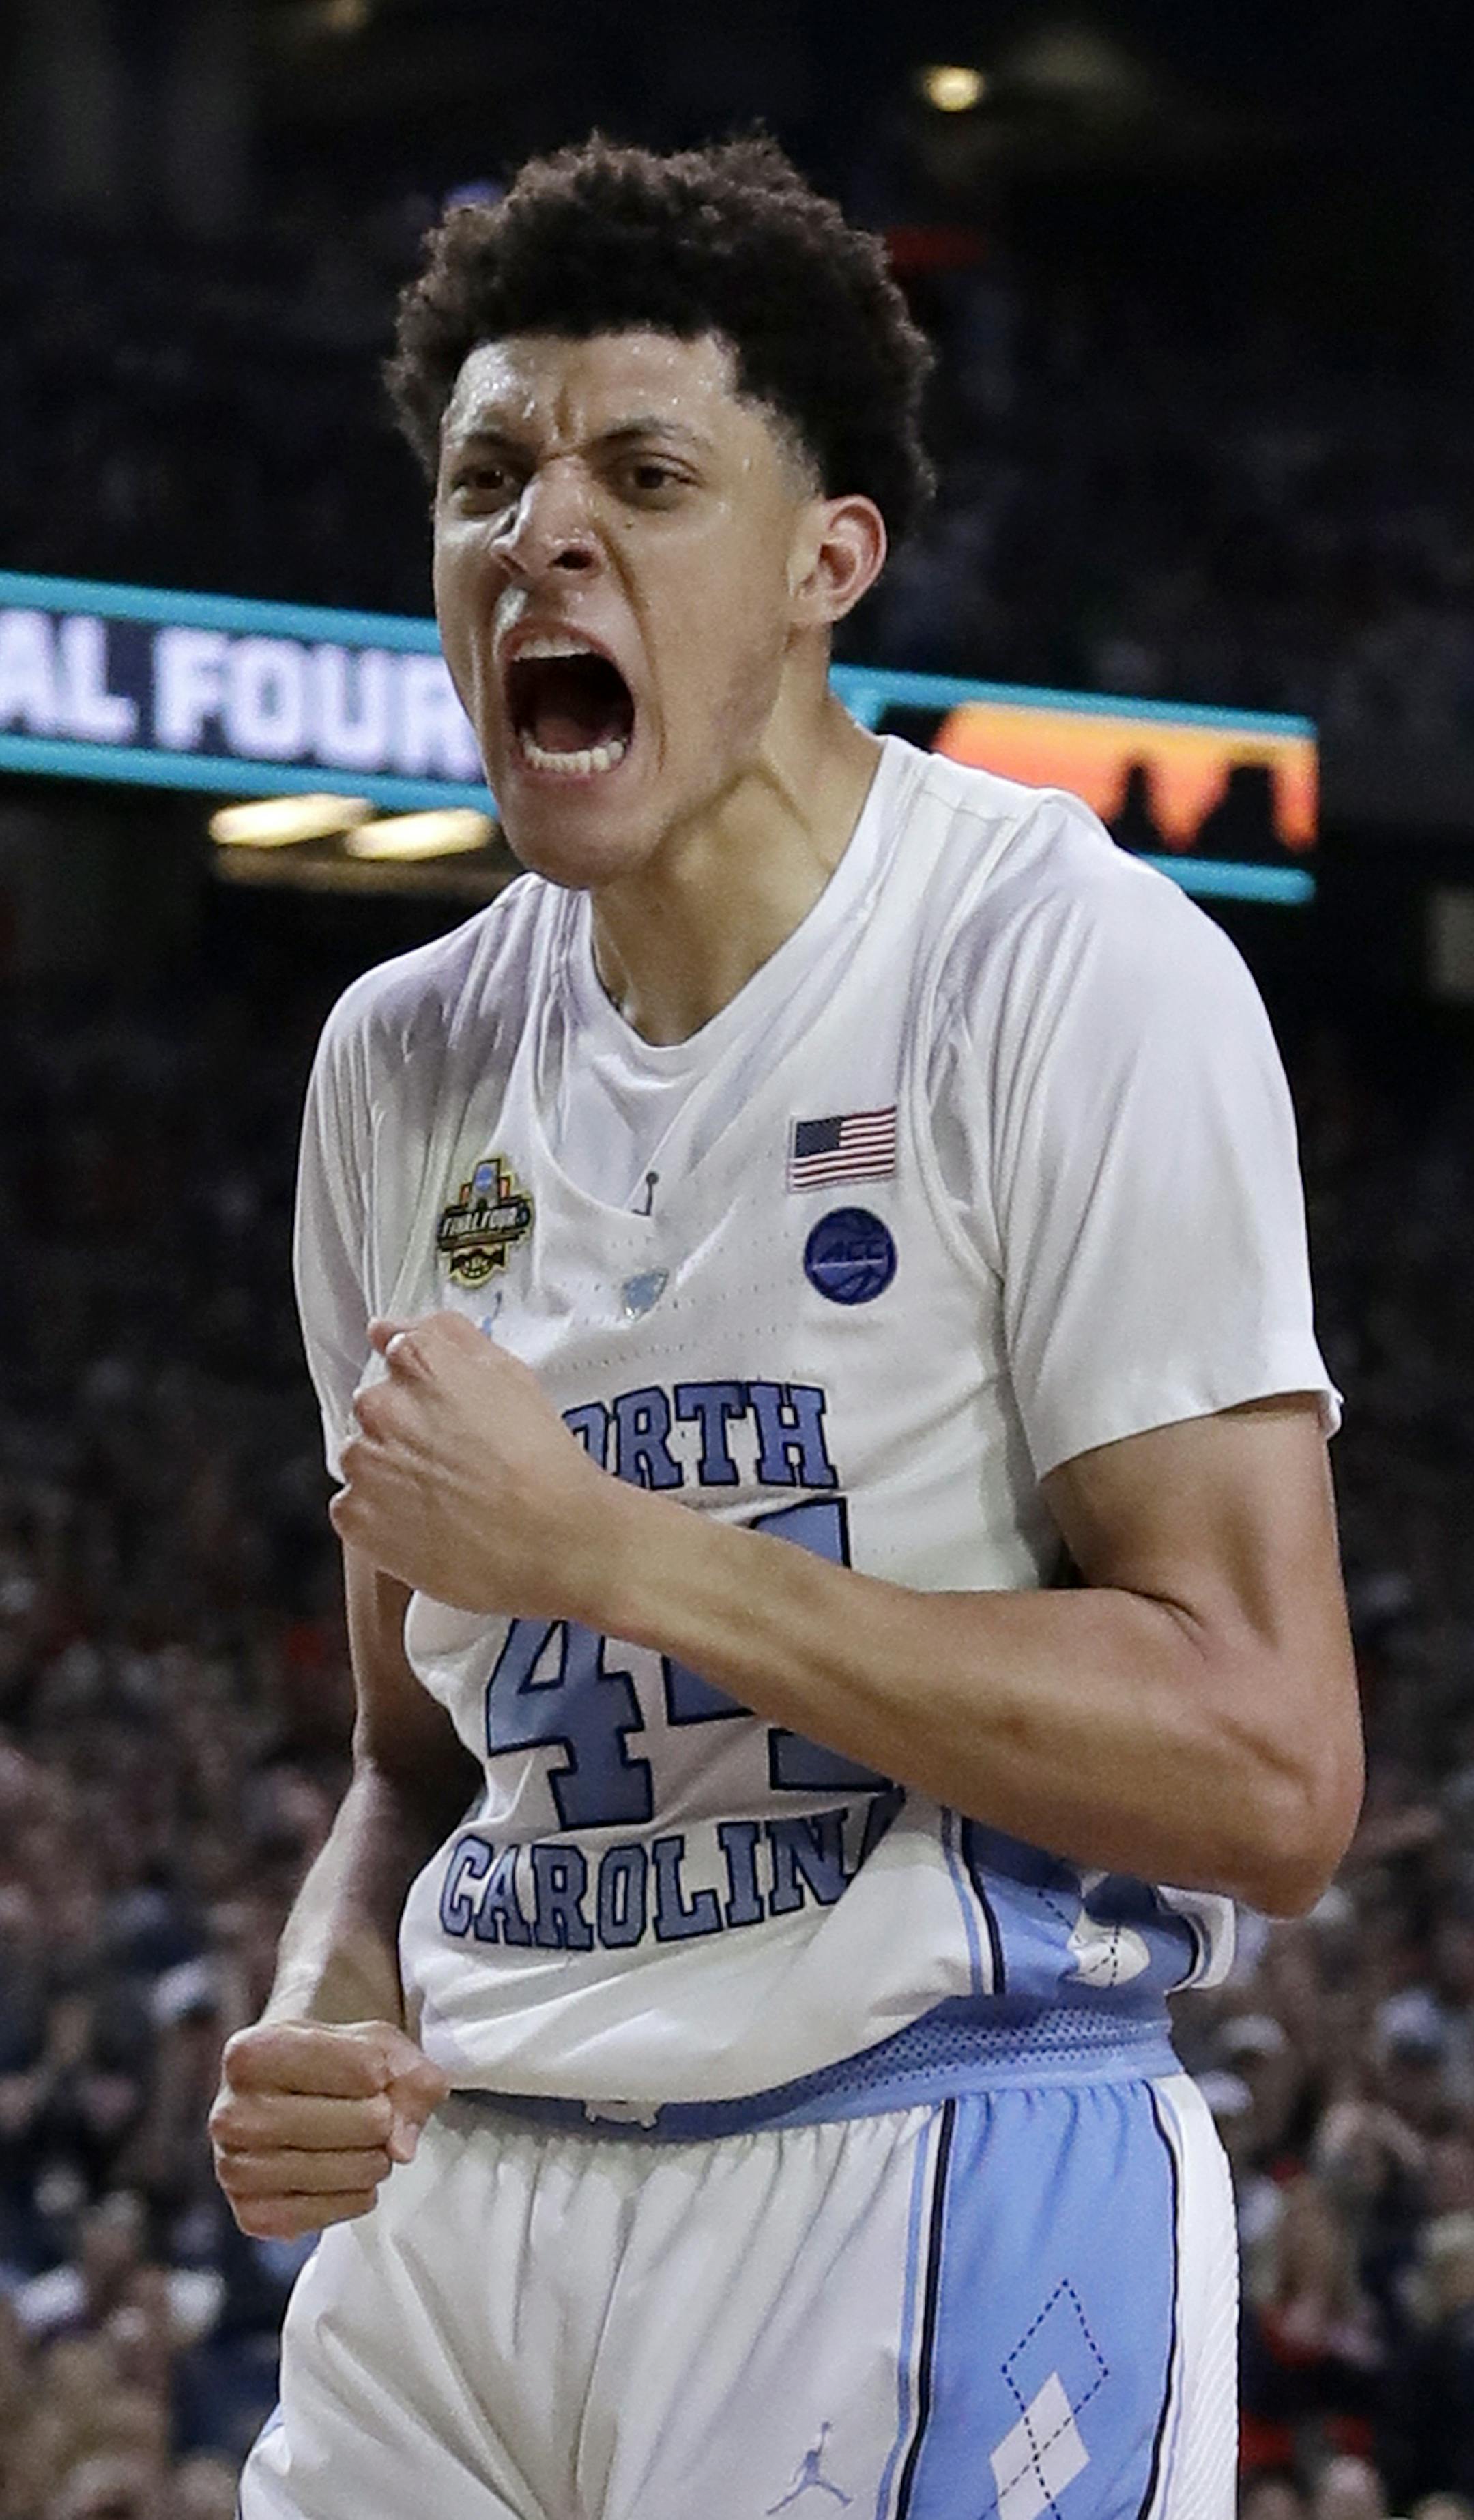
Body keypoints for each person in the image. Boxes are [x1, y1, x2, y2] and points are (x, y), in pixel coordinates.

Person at [212, 136, 1363, 2519]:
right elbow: (412, 1762)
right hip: (468, 2217)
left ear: (829, 558)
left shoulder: (1066, 973)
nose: (544, 534)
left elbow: (1271, 1767)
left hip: (919, 2153)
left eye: (645, 475)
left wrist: (623, 1552)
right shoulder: (397, 1065)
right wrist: (340, 1978)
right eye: (489, 478)